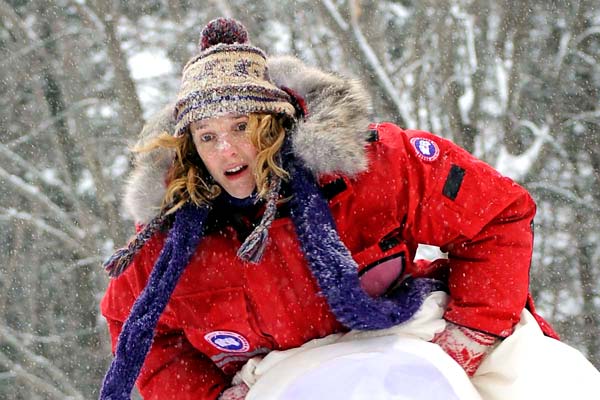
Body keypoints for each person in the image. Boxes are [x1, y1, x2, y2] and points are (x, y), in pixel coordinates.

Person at [98, 18, 599, 400]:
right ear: (189, 148)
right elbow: (136, 328)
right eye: (208, 137)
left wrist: (472, 329)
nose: (227, 151)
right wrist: (210, 396)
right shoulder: (166, 245)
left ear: (274, 123)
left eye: (240, 128)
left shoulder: (372, 166)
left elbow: (497, 214)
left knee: (554, 383)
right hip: (284, 367)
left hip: (408, 323)